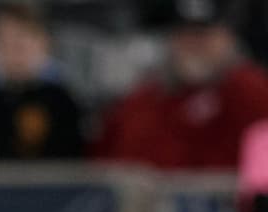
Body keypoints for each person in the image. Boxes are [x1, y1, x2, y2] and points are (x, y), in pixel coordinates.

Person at [94, 0, 268, 169]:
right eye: (185, 34)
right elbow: (107, 168)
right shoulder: (140, 102)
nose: (194, 45)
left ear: (228, 38)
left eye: (204, 34)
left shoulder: (254, 93)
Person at [0, 1, 83, 160]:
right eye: (3, 42)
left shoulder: (63, 104)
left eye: (20, 41)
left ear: (43, 42)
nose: (12, 51)